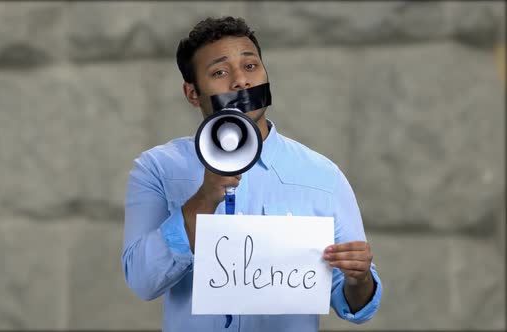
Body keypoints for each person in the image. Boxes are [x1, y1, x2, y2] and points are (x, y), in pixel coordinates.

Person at [122, 16, 382, 332]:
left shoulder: (323, 176)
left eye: (250, 66)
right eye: (219, 72)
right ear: (192, 94)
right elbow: (142, 281)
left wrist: (360, 278)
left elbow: (356, 304)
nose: (240, 82)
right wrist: (204, 199)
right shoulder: (157, 169)